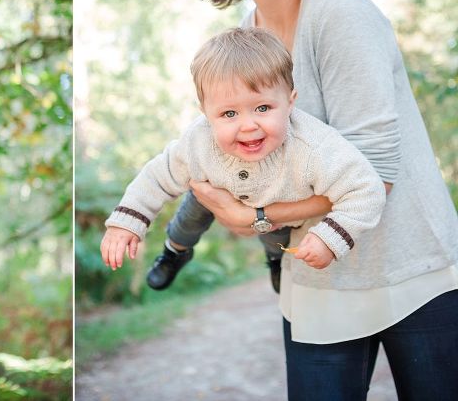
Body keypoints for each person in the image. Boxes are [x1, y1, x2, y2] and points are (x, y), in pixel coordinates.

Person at [184, 0, 458, 400]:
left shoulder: (340, 12)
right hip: (319, 279)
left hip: (412, 271)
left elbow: (375, 173)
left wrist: (256, 216)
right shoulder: (247, 32)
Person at [101, 28, 386, 280]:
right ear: (206, 115)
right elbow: (156, 177)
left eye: (263, 108)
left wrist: (329, 239)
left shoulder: (315, 146)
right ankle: (174, 251)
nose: (248, 125)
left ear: (290, 102)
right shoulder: (197, 141)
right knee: (189, 217)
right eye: (228, 113)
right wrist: (125, 223)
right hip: (213, 188)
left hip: (279, 203)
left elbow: (366, 190)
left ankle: (275, 262)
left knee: (275, 236)